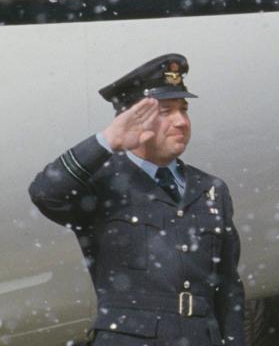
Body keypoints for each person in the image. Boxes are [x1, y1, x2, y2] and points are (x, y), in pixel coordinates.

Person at [28, 54, 244, 346]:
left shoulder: (211, 189)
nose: (180, 121)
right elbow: (45, 192)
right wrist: (106, 141)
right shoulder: (103, 182)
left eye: (183, 109)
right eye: (165, 111)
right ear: (132, 120)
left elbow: (228, 288)